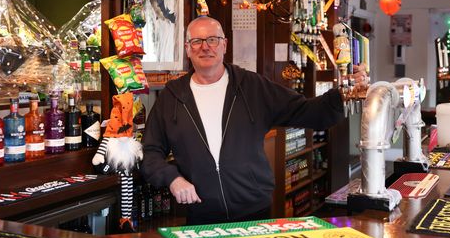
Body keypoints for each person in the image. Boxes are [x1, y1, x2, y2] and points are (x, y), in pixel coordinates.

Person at [141, 16, 368, 225]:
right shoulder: (172, 96)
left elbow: (308, 111)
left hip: (254, 210)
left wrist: (342, 92)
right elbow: (150, 153)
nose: (205, 47)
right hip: (199, 212)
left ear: (224, 45)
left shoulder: (252, 86)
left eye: (212, 39)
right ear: (187, 49)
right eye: (197, 41)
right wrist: (173, 179)